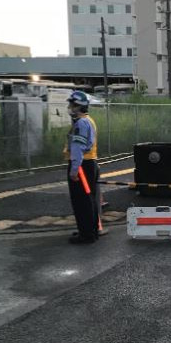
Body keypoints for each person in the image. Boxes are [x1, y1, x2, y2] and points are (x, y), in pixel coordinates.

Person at [63, 91, 100, 244]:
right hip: (89, 164)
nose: (69, 107)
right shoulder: (89, 120)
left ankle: (86, 234)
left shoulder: (81, 124)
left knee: (81, 201)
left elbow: (78, 148)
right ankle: (90, 230)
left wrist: (73, 171)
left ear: (78, 106)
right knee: (89, 199)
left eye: (72, 104)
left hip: (81, 166)